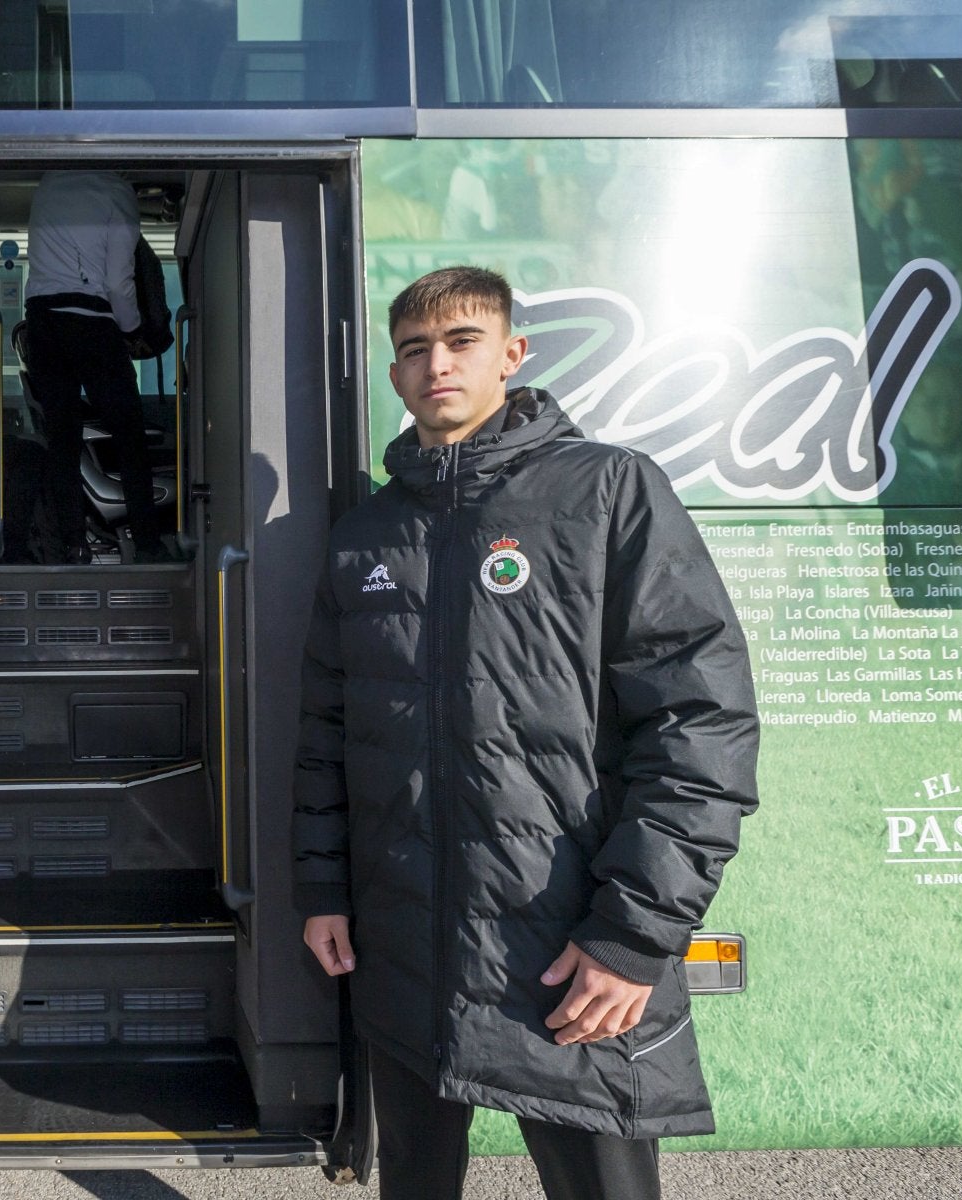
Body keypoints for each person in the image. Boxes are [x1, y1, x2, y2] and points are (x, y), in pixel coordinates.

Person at [293, 266, 758, 1200]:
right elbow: (329, 731)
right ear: (394, 374)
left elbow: (700, 721)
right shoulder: (366, 535)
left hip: (565, 941)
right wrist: (324, 887)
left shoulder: (607, 491)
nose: (438, 366)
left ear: (512, 355)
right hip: (405, 935)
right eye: (416, 350)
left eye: (463, 342)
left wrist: (633, 937)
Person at [20, 169, 164, 562]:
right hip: (91, 321)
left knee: (62, 440)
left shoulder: (47, 184)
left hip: (42, 321)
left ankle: (72, 544)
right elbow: (120, 281)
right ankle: (149, 544)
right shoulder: (119, 193)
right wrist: (134, 330)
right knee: (130, 435)